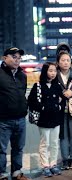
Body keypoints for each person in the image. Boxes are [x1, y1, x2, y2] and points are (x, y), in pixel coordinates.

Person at [27, 62, 63, 177]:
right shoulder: (38, 85)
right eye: (50, 71)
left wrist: (59, 107)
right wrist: (42, 107)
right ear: (45, 72)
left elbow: (61, 100)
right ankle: (45, 166)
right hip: (43, 119)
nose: (53, 73)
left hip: (56, 119)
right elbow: (31, 101)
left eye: (54, 71)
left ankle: (53, 164)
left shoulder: (57, 86)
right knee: (45, 143)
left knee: (54, 143)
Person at [0, 47, 29, 180]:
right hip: (3, 120)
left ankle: (16, 172)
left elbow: (22, 94)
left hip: (21, 119)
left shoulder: (22, 75)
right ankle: (2, 173)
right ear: (4, 58)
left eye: (19, 58)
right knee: (1, 149)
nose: (17, 60)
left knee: (18, 148)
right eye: (14, 57)